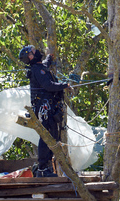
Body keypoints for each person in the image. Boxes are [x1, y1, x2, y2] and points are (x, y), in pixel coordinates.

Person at [19, 45, 72, 178]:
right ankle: (42, 168)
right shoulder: (37, 70)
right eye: (33, 51)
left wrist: (49, 58)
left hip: (47, 107)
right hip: (44, 108)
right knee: (46, 137)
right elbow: (48, 85)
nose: (36, 51)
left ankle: (47, 166)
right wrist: (64, 85)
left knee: (53, 136)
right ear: (30, 57)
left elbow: (45, 65)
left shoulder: (39, 67)